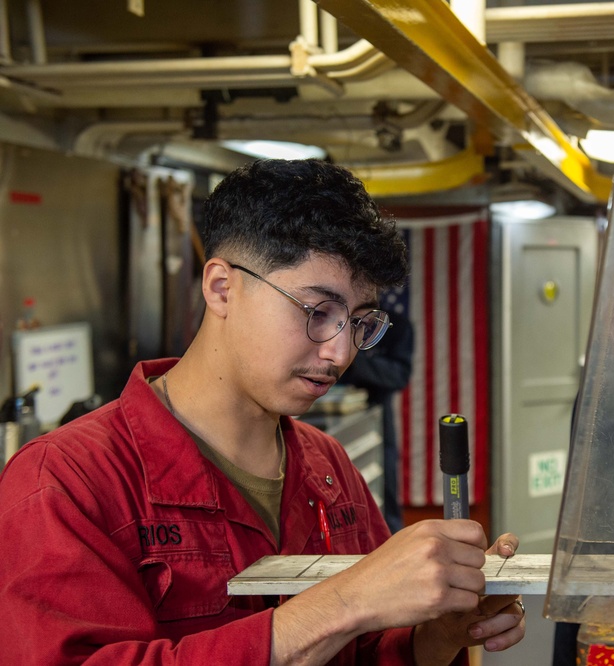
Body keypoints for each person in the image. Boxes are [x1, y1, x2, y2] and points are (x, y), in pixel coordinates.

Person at [0, 159, 525, 665]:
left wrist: (436, 637)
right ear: (222, 288)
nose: (340, 354)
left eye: (358, 321)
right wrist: (345, 602)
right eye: (318, 312)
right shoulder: (68, 482)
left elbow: (367, 652)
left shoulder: (328, 467)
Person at [339, 313, 413, 533]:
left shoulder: (396, 325)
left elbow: (399, 375)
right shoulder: (336, 320)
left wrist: (355, 361)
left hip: (375, 417)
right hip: (325, 416)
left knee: (383, 492)